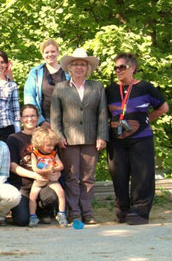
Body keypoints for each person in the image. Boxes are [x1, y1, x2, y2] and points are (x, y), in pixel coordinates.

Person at [106, 53, 168, 225]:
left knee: (142, 175)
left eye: (122, 67)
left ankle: (140, 212)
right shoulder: (110, 90)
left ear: (132, 68)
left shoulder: (146, 87)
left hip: (141, 139)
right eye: (116, 67)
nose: (118, 70)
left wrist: (147, 119)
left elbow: (163, 107)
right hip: (116, 141)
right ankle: (122, 212)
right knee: (119, 175)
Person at [51, 48, 108, 224]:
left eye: (82, 64)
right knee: (71, 177)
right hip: (68, 140)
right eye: (75, 64)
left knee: (88, 178)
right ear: (69, 67)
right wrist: (58, 136)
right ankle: (74, 213)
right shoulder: (60, 88)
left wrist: (102, 136)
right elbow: (55, 116)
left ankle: (88, 212)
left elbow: (103, 113)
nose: (79, 67)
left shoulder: (97, 86)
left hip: (92, 139)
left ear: (88, 67)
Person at [7, 105, 59, 227]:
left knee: (52, 196)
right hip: (23, 185)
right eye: (26, 116)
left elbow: (56, 161)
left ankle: (42, 211)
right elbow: (12, 166)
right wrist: (35, 175)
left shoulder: (47, 136)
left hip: (44, 183)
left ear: (38, 117)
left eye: (33, 116)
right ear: (21, 118)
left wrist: (55, 173)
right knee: (21, 221)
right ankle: (30, 212)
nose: (30, 119)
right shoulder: (14, 138)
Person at [24, 38, 70, 127]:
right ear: (42, 55)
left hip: (66, 122)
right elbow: (29, 98)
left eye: (53, 51)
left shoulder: (67, 72)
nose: (50, 54)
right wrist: (41, 121)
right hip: (44, 121)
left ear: (58, 52)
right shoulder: (35, 72)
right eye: (47, 52)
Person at [28, 127, 67, 227]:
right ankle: (32, 216)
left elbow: (61, 166)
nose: (51, 147)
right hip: (39, 179)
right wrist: (44, 171)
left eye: (53, 145)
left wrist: (54, 169)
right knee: (32, 196)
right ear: (40, 143)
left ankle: (61, 214)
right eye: (48, 145)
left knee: (61, 192)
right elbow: (35, 167)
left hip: (52, 179)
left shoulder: (53, 153)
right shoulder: (35, 153)